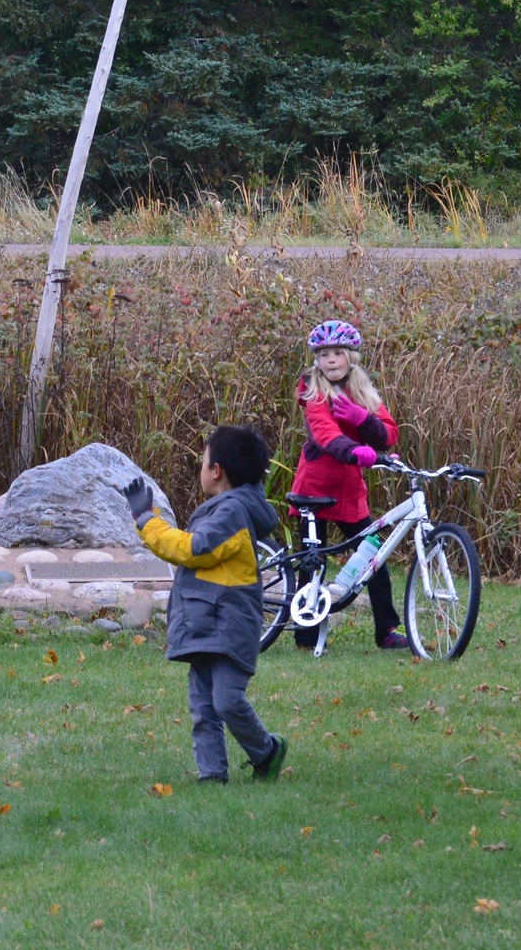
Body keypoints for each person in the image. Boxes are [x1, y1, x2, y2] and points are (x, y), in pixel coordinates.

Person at [127, 425, 289, 784]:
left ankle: (267, 751)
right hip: (206, 620)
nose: (201, 467)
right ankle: (212, 774)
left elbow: (193, 549)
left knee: (227, 700)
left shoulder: (232, 512)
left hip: (229, 625)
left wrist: (147, 522)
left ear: (216, 471)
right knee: (203, 705)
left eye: (203, 460)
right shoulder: (226, 508)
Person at [288, 318, 405, 650]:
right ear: (317, 360)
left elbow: (388, 433)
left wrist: (361, 418)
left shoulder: (362, 391)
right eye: (324, 355)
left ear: (351, 357)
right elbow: (325, 435)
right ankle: (306, 635)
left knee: (374, 559)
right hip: (315, 492)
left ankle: (387, 631)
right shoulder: (313, 391)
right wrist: (356, 451)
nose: (331, 361)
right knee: (313, 564)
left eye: (338, 353)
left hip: (351, 495)